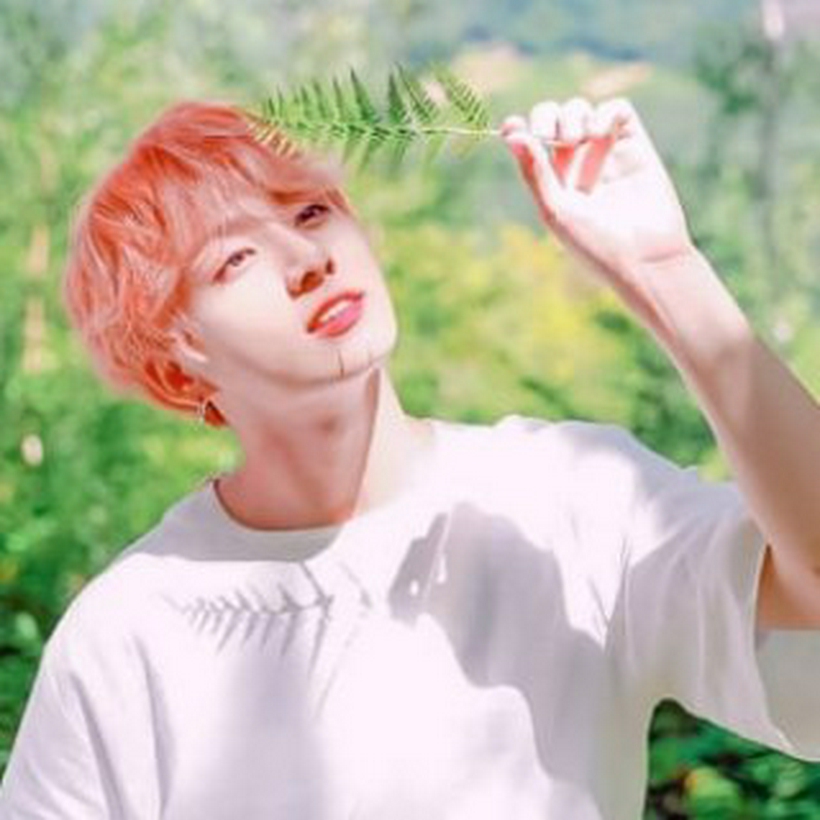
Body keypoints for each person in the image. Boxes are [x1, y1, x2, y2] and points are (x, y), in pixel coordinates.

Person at [1, 93, 819, 820]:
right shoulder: (130, 633)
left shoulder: (564, 498)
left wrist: (666, 273)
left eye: (310, 211)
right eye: (234, 258)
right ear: (178, 367)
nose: (307, 262)